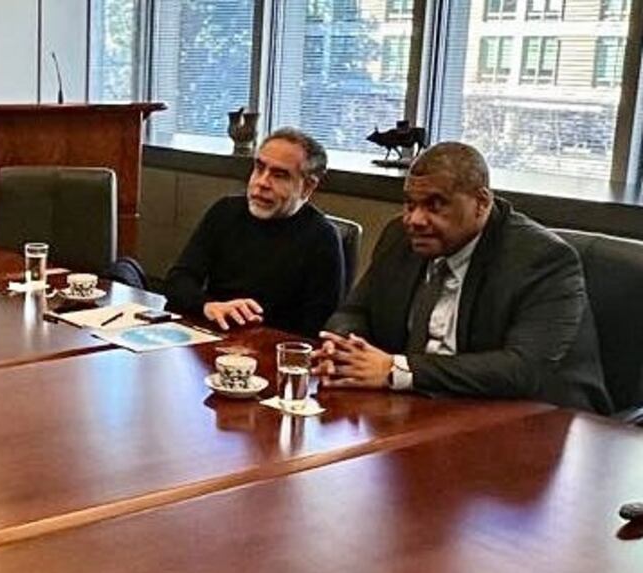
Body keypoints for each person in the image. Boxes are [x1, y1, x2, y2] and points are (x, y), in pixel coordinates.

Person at [317, 141, 611, 413]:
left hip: (535, 419)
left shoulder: (541, 260)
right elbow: (354, 312)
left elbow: (523, 369)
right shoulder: (400, 237)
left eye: (435, 205)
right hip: (423, 407)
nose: (415, 220)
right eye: (410, 204)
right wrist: (343, 349)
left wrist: (397, 369)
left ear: (481, 202)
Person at [164, 127, 344, 336]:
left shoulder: (322, 238)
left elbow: (317, 327)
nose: (261, 183)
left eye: (279, 175)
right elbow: (178, 280)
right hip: (214, 334)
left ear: (307, 187)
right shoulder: (225, 211)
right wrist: (208, 306)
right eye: (259, 168)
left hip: (274, 346)